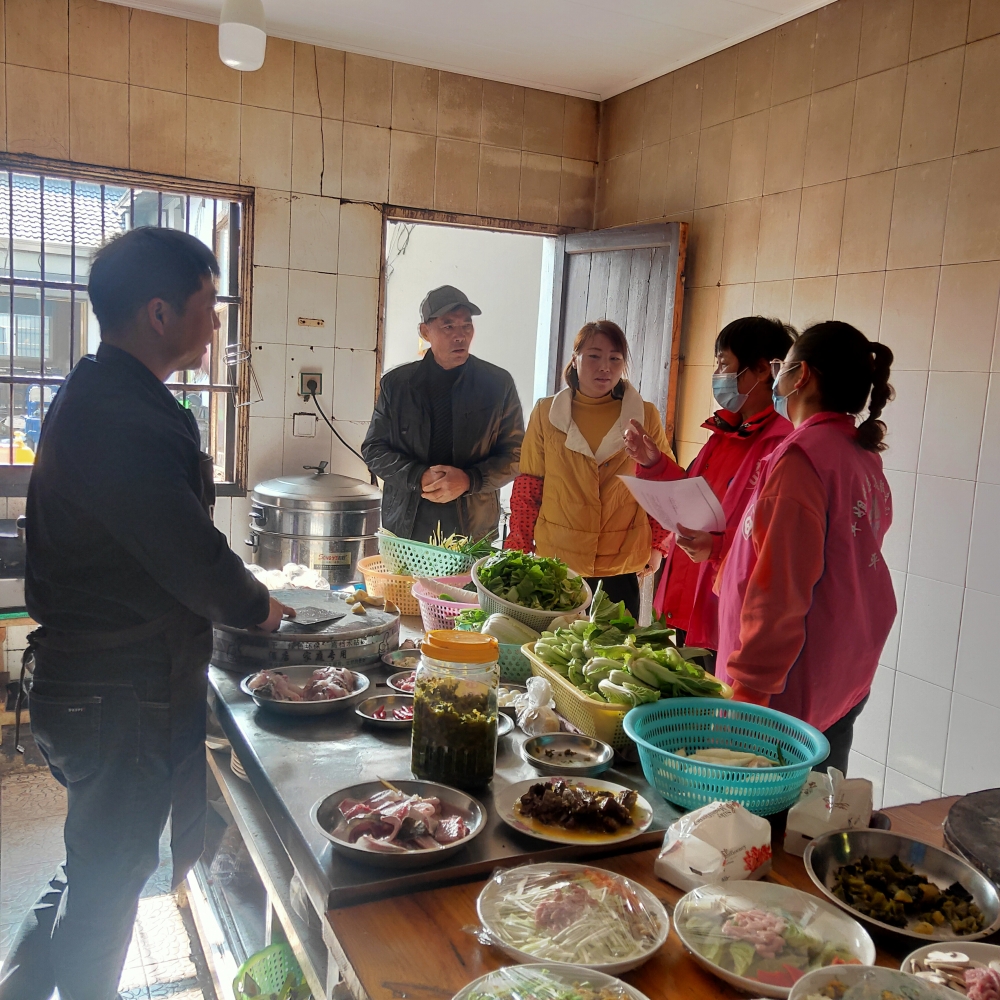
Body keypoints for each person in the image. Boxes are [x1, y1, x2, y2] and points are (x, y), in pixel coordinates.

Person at [0, 227, 291, 1000]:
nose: (216, 323)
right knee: (107, 882)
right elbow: (186, 551)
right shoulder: (120, 415)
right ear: (160, 313)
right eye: (209, 304)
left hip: (93, 687)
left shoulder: (108, 392)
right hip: (114, 694)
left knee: (94, 861)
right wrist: (261, 609)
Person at [714, 321, 897, 774]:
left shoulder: (803, 458)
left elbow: (780, 594)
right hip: (844, 672)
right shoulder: (858, 452)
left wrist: (748, 699)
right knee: (813, 818)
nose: (776, 379)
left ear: (803, 376)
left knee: (762, 833)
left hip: (788, 690)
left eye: (781, 368)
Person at [623, 317, 795, 657]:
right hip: (691, 599)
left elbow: (775, 535)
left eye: (724, 363)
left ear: (761, 369)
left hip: (726, 610)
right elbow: (692, 499)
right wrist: (654, 464)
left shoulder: (779, 444)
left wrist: (716, 548)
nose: (717, 374)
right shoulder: (727, 432)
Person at [505, 320, 671, 618]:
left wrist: (658, 543)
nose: (604, 367)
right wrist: (518, 545)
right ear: (575, 359)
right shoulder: (546, 413)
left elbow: (661, 484)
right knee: (556, 653)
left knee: (612, 656)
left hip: (621, 561)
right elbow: (529, 486)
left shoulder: (644, 415)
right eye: (594, 356)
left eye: (615, 358)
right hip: (557, 562)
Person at [362, 284, 524, 544]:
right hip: (408, 523)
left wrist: (469, 480)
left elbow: (516, 455)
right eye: (448, 326)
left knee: (464, 586)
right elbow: (374, 449)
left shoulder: (496, 384)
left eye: (466, 326)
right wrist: (417, 476)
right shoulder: (397, 384)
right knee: (405, 586)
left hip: (472, 527)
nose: (460, 335)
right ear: (425, 331)